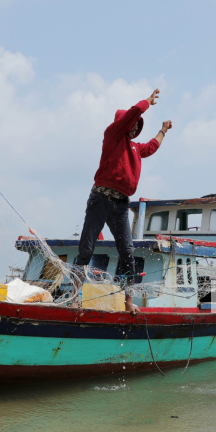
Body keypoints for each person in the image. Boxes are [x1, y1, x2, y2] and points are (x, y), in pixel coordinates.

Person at [74, 89, 173, 313]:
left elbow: (151, 147)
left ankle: (129, 303)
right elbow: (135, 111)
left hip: (120, 206)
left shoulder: (135, 148)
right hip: (101, 199)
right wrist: (147, 102)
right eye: (133, 123)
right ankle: (74, 296)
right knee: (86, 249)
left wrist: (163, 131)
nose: (136, 127)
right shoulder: (113, 135)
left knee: (127, 252)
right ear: (124, 123)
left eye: (139, 125)